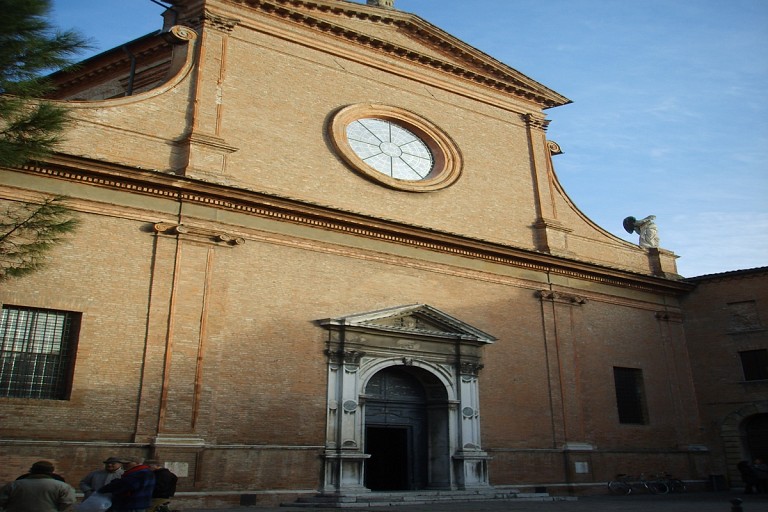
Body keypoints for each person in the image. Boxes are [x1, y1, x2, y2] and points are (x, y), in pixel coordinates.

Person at [0, 460, 76, 512]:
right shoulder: (62, 486)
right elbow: (68, 503)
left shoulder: (13, 485)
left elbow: (2, 501)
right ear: (51, 472)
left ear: (32, 470)